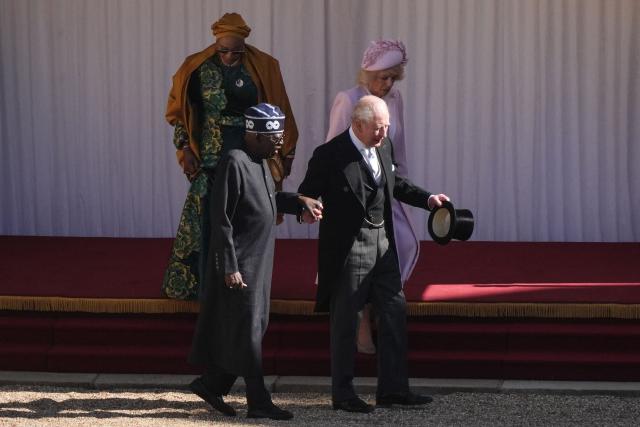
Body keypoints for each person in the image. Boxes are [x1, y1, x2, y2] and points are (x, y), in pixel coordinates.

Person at [298, 95, 450, 413]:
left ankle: (393, 390)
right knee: (346, 323)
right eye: (378, 129)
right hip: (349, 249)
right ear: (358, 124)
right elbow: (306, 193)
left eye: (386, 127)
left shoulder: (384, 146)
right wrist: (307, 209)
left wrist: (428, 199)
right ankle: (343, 394)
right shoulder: (330, 154)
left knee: (394, 313)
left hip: (383, 245)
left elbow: (396, 185)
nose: (383, 134)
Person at [188, 103, 322, 420]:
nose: (280, 143)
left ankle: (211, 384)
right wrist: (229, 266)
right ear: (256, 134)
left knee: (253, 328)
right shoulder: (234, 161)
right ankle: (259, 402)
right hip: (241, 264)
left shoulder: (260, 161)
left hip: (259, 263)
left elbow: (268, 200)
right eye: (275, 137)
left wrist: (299, 201)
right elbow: (220, 219)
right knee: (248, 332)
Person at [162, 12, 298, 300]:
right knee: (207, 218)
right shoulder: (196, 67)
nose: (229, 57)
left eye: (236, 52)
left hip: (252, 155)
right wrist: (184, 147)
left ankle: (245, 283)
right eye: (223, 51)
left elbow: (280, 109)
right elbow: (179, 114)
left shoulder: (262, 66)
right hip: (210, 155)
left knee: (247, 217)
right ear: (215, 45)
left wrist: (286, 152)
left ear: (245, 47)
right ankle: (200, 287)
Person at [325, 40, 417, 355]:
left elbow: (399, 150)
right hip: (356, 195)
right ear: (367, 73)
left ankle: (380, 308)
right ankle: (361, 323)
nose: (387, 83)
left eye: (393, 77)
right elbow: (332, 151)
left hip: (387, 190)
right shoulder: (348, 99)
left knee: (400, 245)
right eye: (382, 77)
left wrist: (404, 188)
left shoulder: (396, 98)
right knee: (361, 256)